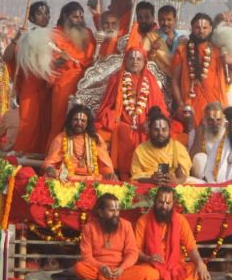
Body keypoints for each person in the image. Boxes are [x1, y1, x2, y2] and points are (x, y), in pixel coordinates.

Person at [95, 48, 169, 179]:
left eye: (139, 59)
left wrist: (150, 121)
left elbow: (159, 107)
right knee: (124, 132)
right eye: (131, 58)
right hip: (124, 124)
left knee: (159, 133)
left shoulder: (150, 79)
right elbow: (106, 106)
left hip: (148, 124)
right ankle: (122, 176)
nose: (135, 62)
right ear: (126, 60)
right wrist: (115, 118)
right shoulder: (116, 78)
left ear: (144, 61)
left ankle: (158, 175)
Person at [74, 194, 155, 280]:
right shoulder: (89, 228)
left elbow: (132, 253)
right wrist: (102, 267)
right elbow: (86, 257)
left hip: (121, 270)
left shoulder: (126, 226)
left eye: (117, 210)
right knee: (79, 268)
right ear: (100, 212)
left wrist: (122, 268)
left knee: (147, 272)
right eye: (111, 210)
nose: (116, 214)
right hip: (98, 269)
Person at [134, 186, 211, 280]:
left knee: (197, 269)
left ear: (172, 204)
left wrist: (200, 263)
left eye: (168, 203)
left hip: (176, 268)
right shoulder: (143, 221)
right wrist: (148, 258)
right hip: (152, 267)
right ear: (155, 201)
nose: (164, 206)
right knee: (143, 273)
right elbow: (136, 250)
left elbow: (191, 247)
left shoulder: (180, 220)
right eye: (161, 202)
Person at [46, 1, 96, 147]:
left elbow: (93, 56)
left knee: (83, 122)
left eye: (81, 17)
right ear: (65, 16)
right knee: (60, 122)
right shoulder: (55, 35)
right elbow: (47, 65)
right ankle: (53, 157)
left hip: (86, 84)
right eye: (75, 17)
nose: (79, 20)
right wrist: (60, 61)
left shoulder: (88, 34)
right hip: (64, 84)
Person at [7, 1, 53, 155]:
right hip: (30, 88)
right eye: (39, 13)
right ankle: (22, 152)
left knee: (44, 124)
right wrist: (17, 37)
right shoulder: (26, 36)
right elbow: (7, 57)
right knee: (28, 122)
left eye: (46, 13)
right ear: (32, 17)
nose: (44, 16)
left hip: (47, 88)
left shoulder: (52, 36)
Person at [171, 13, 228, 126]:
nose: (201, 30)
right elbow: (174, 81)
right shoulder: (182, 50)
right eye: (197, 27)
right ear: (191, 28)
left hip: (215, 105)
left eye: (205, 28)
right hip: (190, 105)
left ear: (211, 28)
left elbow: (228, 79)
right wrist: (181, 104)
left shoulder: (218, 51)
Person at [43, 104, 116, 181]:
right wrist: (49, 168)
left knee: (111, 179)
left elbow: (104, 163)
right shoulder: (61, 138)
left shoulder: (95, 138)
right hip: (66, 177)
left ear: (88, 123)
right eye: (76, 120)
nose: (79, 123)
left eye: (83, 121)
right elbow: (50, 161)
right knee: (50, 177)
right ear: (70, 121)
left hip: (91, 178)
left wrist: (109, 173)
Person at [130, 109, 192, 184]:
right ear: (150, 130)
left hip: (172, 185)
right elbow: (136, 177)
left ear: (169, 130)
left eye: (164, 129)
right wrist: (151, 180)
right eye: (156, 130)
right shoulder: (140, 150)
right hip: (148, 185)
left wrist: (175, 181)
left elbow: (182, 175)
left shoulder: (177, 147)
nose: (160, 134)